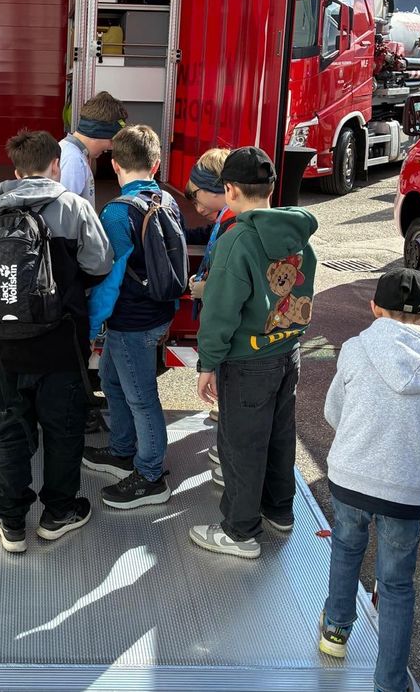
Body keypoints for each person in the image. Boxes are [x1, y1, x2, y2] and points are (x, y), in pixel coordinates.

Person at [0, 130, 113, 553]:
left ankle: (10, 519)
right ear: (56, 165)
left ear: (16, 170)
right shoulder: (73, 207)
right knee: (63, 429)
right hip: (60, 340)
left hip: (6, 343)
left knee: (12, 430)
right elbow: (100, 262)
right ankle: (59, 512)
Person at [320, 268, 420, 692]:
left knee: (346, 551)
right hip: (406, 491)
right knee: (396, 585)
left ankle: (336, 634)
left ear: (374, 307)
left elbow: (332, 412)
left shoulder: (355, 349)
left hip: (349, 476)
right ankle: (391, 683)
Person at [189, 146, 317, 559]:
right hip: (287, 351)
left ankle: (240, 531)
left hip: (247, 360)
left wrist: (208, 362)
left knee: (241, 444)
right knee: (280, 436)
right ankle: (279, 511)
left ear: (229, 190)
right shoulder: (297, 233)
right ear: (271, 187)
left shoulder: (237, 239)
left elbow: (221, 311)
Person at [84, 125, 178, 509]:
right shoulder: (166, 200)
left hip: (130, 321)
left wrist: (90, 328)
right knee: (111, 378)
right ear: (156, 164)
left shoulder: (116, 213)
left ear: (114, 163)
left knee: (141, 397)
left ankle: (151, 475)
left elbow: (109, 282)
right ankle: (123, 450)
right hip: (156, 312)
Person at [184, 147, 236, 426]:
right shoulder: (225, 220)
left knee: (225, 381)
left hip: (226, 335)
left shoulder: (234, 225)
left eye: (197, 193)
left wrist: (207, 287)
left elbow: (233, 284)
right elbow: (208, 235)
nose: (194, 199)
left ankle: (225, 438)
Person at [59, 91, 126, 207]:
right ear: (97, 133)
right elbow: (65, 212)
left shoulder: (74, 152)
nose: (112, 147)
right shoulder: (73, 160)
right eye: (111, 140)